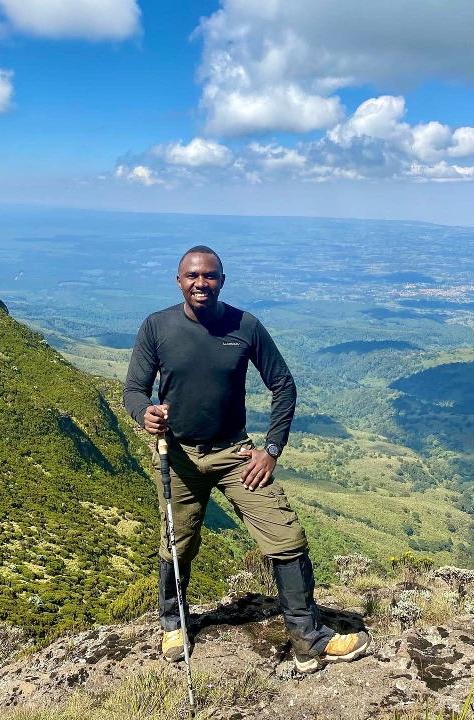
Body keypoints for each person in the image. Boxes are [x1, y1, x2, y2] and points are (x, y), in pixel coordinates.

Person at [123, 245, 370, 673]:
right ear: (178, 280)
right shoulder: (157, 327)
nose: (201, 283)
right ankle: (172, 623)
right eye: (192, 276)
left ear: (222, 280)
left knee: (287, 538)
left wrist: (271, 449)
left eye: (210, 276)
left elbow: (283, 385)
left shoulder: (245, 326)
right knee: (177, 542)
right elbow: (133, 390)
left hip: (235, 454)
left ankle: (307, 639)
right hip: (178, 455)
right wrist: (144, 411)